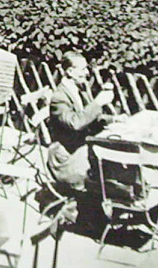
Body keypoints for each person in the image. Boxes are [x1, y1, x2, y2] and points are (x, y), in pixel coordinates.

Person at [45, 51, 115, 191]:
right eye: (83, 69)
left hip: (82, 148)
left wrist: (114, 119)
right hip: (67, 157)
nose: (87, 73)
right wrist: (97, 103)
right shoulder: (59, 97)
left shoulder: (78, 89)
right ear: (70, 71)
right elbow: (75, 123)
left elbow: (89, 118)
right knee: (108, 168)